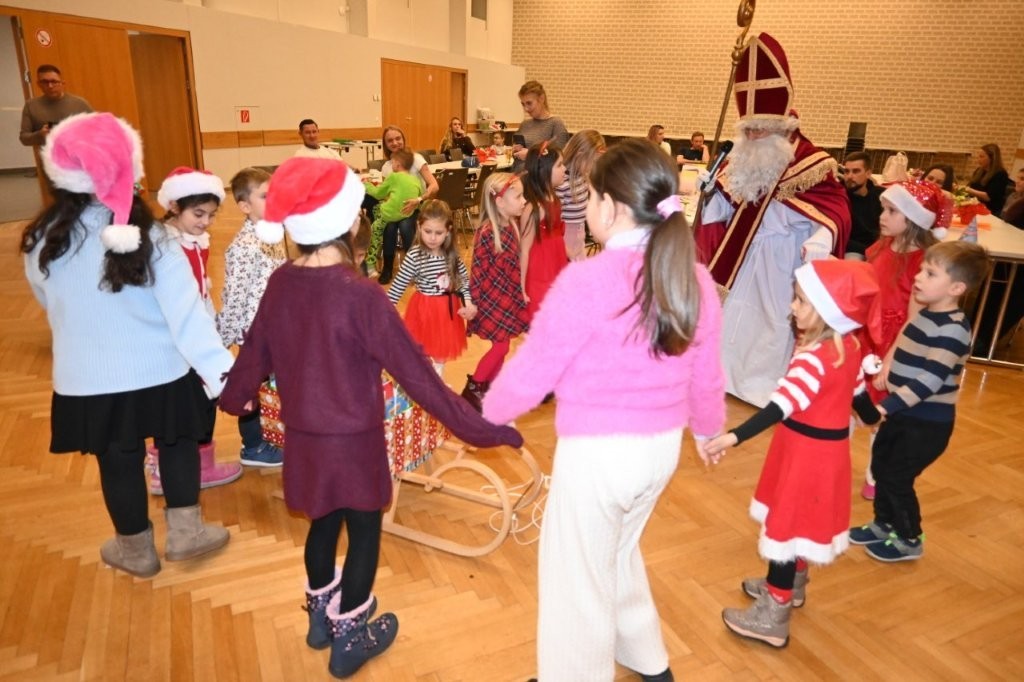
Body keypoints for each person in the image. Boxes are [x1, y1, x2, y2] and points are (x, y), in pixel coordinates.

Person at [218, 157, 522, 678]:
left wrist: (234, 397)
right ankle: (350, 638)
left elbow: (252, 356)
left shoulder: (282, 282)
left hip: (304, 439)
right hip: (354, 443)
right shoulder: (360, 294)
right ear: (349, 221)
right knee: (363, 533)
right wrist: (484, 428)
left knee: (321, 525)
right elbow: (421, 380)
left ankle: (320, 619)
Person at [483, 139, 726, 681]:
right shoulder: (695, 278)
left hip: (598, 458)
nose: (584, 204)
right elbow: (708, 372)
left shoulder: (587, 280)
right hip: (659, 453)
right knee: (616, 552)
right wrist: (709, 430)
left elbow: (533, 368)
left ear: (612, 208)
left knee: (576, 575)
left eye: (590, 196)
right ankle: (648, 660)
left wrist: (488, 415)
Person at [21, 112, 232, 578]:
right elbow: (187, 317)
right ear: (129, 169)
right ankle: (186, 535)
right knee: (177, 444)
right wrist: (225, 376)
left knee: (117, 459)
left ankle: (135, 550)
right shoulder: (155, 236)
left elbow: (48, 302)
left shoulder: (40, 240)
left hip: (87, 378)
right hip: (161, 369)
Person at [704, 259, 884, 648]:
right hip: (828, 455)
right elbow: (859, 396)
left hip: (803, 457)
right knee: (802, 522)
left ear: (826, 311)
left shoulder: (813, 358)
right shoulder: (850, 348)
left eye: (801, 300)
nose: (793, 306)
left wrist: (733, 437)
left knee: (784, 528)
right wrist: (875, 419)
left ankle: (775, 611)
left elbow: (777, 408)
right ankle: (792, 584)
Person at [695, 33, 851, 408]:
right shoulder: (744, 159)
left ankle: (763, 386)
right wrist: (712, 193)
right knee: (733, 316)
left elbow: (835, 211)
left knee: (771, 321)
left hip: (784, 260)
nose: (752, 136)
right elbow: (728, 214)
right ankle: (724, 375)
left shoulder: (812, 162)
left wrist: (819, 241)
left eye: (759, 129)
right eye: (747, 129)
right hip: (742, 259)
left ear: (780, 126)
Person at [849, 241, 991, 562]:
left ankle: (909, 538)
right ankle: (884, 524)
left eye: (930, 273)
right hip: (903, 414)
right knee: (882, 466)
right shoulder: (927, 314)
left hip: (925, 424)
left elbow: (930, 380)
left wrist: (884, 406)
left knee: (897, 477)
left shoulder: (953, 330)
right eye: (922, 270)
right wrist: (887, 372)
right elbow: (908, 352)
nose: (918, 277)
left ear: (956, 288)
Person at [146, 167, 249, 492]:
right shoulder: (165, 244)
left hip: (195, 331)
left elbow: (201, 292)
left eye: (212, 215)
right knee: (180, 406)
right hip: (173, 339)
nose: (205, 222)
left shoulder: (195, 240)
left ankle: (193, 464)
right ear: (174, 207)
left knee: (199, 401)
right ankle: (170, 469)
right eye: (198, 214)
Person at [859, 180, 948, 500]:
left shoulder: (922, 263)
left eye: (891, 211)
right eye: (884, 209)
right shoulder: (881, 247)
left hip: (894, 346)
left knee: (883, 413)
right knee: (855, 403)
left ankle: (876, 472)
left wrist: (890, 362)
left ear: (912, 219)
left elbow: (912, 321)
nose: (882, 216)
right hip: (868, 336)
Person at [217, 167, 287, 467]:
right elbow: (234, 298)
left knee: (274, 385)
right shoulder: (244, 247)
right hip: (254, 333)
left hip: (277, 328)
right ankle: (253, 446)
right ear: (245, 206)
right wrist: (222, 338)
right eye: (265, 196)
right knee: (251, 387)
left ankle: (274, 433)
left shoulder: (273, 234)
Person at [460, 173, 530, 411]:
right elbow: (477, 272)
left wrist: (521, 293)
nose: (524, 201)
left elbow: (515, 268)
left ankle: (489, 388)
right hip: (490, 301)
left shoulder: (512, 226)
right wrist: (472, 303)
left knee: (504, 346)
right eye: (518, 196)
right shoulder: (487, 232)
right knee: (500, 346)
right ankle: (473, 389)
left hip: (506, 299)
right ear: (500, 202)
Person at [386, 199, 476, 374]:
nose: (433, 238)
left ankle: (438, 380)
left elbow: (463, 280)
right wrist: (385, 312)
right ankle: (426, 381)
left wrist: (468, 302)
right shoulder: (415, 256)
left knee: (442, 352)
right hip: (423, 310)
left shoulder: (452, 255)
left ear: (448, 231)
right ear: (419, 227)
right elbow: (397, 287)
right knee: (422, 352)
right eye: (428, 231)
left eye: (439, 233)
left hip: (447, 311)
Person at [520, 141, 568, 319]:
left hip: (556, 266)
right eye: (560, 165)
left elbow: (557, 237)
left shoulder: (555, 199)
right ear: (544, 170)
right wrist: (521, 287)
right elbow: (524, 250)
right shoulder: (535, 208)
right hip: (540, 273)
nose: (564, 169)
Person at [363, 148, 422, 284]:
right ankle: (413, 269)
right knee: (393, 227)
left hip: (389, 214)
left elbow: (378, 194)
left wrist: (367, 184)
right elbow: (419, 193)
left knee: (374, 230)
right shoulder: (415, 179)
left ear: (398, 164)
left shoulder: (393, 176)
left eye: (393, 162)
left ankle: (371, 264)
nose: (392, 165)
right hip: (407, 212)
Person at [556, 129, 605, 262]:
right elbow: (554, 226)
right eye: (592, 161)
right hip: (565, 241)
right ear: (579, 155)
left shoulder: (582, 177)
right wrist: (566, 251)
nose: (593, 166)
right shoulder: (562, 183)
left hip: (578, 237)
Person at [19, 65, 92, 149]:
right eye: (45, 82)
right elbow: (24, 138)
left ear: (62, 83)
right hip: (48, 155)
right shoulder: (31, 106)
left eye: (54, 81)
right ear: (38, 84)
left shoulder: (80, 104)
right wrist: (40, 135)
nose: (50, 86)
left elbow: (98, 130)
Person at [377, 125, 439, 215]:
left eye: (398, 138)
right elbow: (386, 195)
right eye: (390, 140)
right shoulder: (386, 167)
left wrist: (419, 199)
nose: (395, 143)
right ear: (385, 145)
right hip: (397, 210)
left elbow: (434, 185)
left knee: (405, 222)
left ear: (403, 140)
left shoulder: (416, 159)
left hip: (418, 207)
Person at [511, 81, 569, 172]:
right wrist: (515, 150)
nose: (526, 109)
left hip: (538, 178)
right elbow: (517, 155)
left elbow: (559, 157)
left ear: (541, 99)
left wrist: (529, 155)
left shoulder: (555, 124)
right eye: (523, 104)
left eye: (529, 103)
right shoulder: (525, 124)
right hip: (517, 175)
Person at [842, 151, 884, 259]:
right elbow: (840, 237)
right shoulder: (839, 197)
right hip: (853, 250)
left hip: (880, 249)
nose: (849, 176)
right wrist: (869, 251)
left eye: (856, 171)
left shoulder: (881, 195)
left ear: (868, 173)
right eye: (846, 171)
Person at [963, 144, 1009, 216]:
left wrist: (969, 190)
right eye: (979, 156)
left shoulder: (1000, 174)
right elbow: (970, 186)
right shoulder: (979, 170)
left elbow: (988, 197)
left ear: (992, 158)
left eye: (982, 157)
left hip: (989, 211)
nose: (978, 159)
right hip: (975, 206)